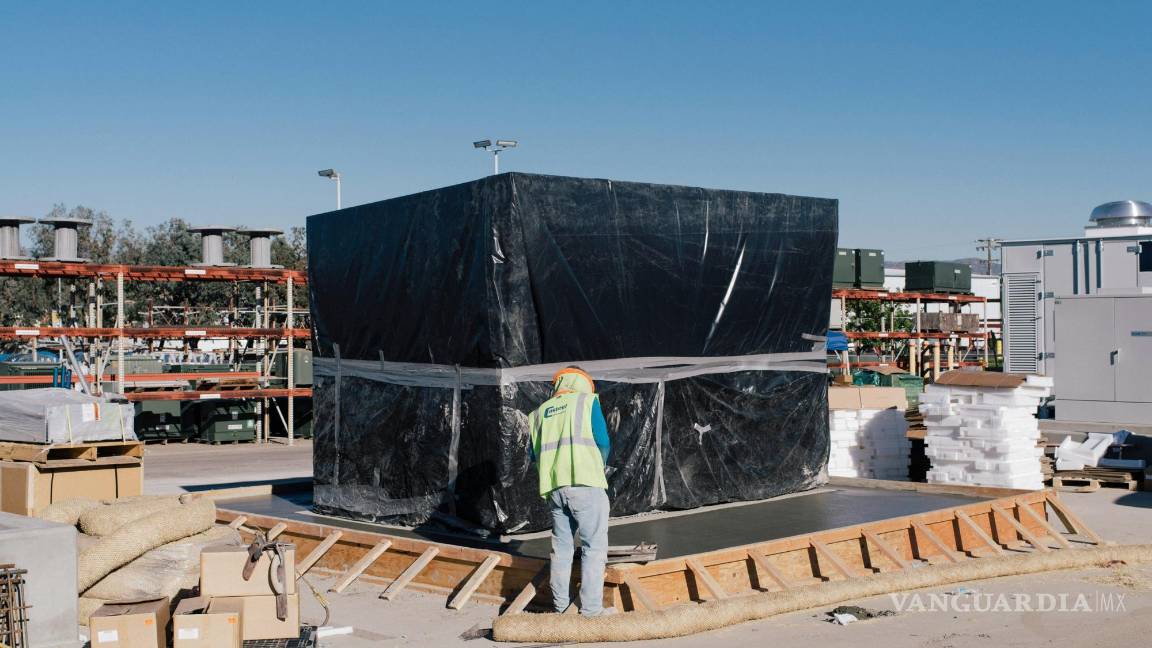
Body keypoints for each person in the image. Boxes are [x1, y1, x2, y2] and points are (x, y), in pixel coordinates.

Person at [528, 366, 613, 616]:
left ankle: (560, 608)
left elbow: (535, 455)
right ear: (584, 383)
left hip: (555, 489)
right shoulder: (586, 402)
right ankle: (591, 612)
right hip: (586, 483)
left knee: (562, 550)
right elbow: (603, 441)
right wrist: (599, 465)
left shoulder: (540, 412)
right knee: (594, 547)